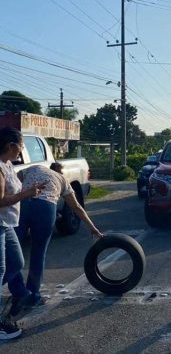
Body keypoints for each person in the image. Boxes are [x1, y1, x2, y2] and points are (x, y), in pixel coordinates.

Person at [7, 163, 104, 320]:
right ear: (60, 171)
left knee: (12, 252)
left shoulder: (35, 168)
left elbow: (14, 181)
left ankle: (19, 292)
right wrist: (92, 228)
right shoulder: (62, 179)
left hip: (23, 204)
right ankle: (33, 296)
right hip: (46, 209)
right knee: (38, 253)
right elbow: (77, 207)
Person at [0, 127, 44, 340]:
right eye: (21, 147)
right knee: (1, 269)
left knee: (16, 263)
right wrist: (26, 194)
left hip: (7, 224)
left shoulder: (8, 165)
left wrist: (29, 188)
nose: (21, 151)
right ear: (10, 146)